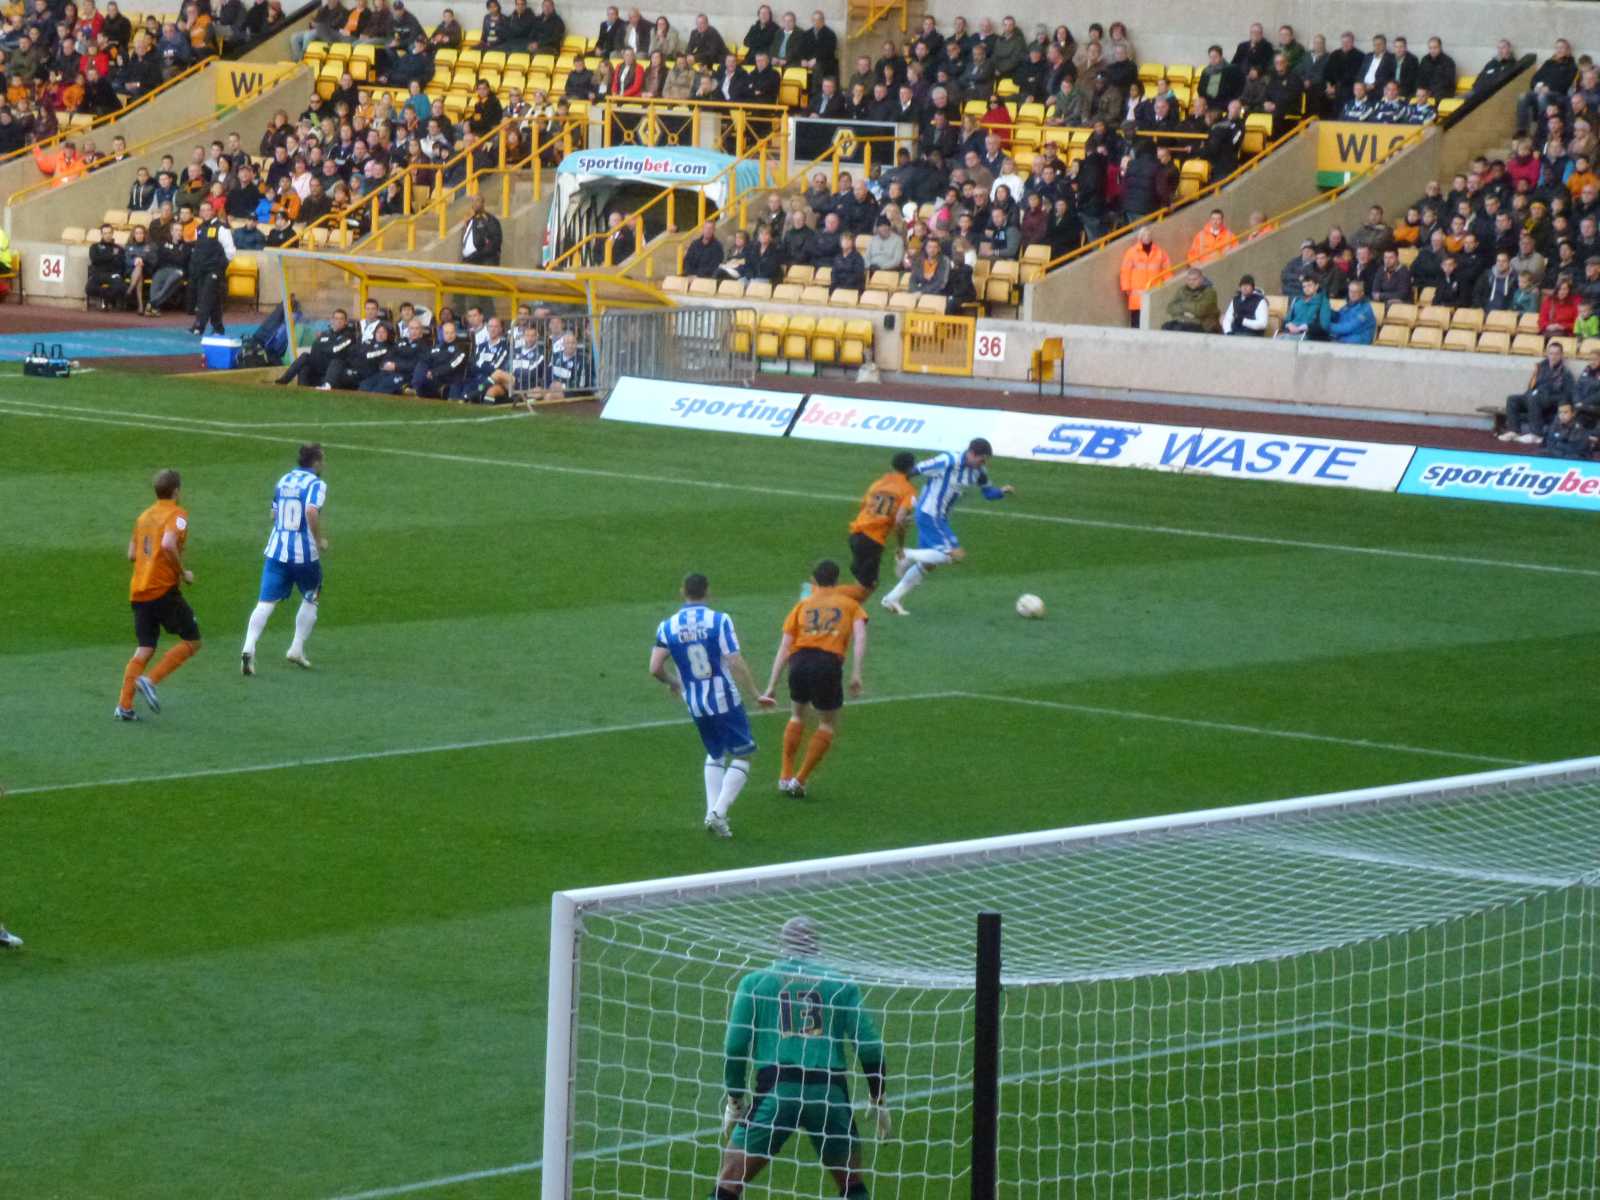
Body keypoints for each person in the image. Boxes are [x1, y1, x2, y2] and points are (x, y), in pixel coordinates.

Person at [711, 916, 888, 1199]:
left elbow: (735, 1046)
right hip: (829, 1094)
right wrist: (878, 1097)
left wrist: (735, 1099)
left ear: (780, 945)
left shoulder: (755, 982)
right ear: (816, 946)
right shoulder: (841, 984)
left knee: (728, 1183)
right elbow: (870, 1047)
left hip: (778, 1091)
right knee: (852, 1186)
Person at [648, 572, 770, 837]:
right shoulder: (719, 620)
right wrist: (755, 693)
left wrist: (674, 683)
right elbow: (735, 660)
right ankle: (719, 811)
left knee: (715, 753)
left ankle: (710, 813)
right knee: (743, 754)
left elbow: (655, 668)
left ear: (683, 591)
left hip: (695, 702)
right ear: (708, 592)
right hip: (724, 698)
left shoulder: (667, 626)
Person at [757, 560, 868, 797]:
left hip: (799, 662)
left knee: (797, 715)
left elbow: (785, 647)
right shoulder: (850, 604)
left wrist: (771, 686)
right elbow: (860, 636)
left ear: (814, 580)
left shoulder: (802, 606)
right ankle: (800, 780)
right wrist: (856, 672)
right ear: (837, 581)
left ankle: (785, 775)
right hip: (827, 664)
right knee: (827, 723)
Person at [878, 438, 1014, 617]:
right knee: (954, 555)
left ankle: (891, 599)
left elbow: (988, 493)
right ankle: (905, 554)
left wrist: (1001, 492)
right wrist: (902, 499)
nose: (984, 463)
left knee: (929, 564)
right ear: (971, 453)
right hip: (930, 514)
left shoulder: (979, 471)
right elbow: (914, 471)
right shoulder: (947, 460)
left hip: (939, 517)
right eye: (982, 459)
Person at [116, 468, 202, 720]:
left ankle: (124, 706)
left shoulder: (143, 517)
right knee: (193, 640)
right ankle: (150, 681)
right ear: (176, 491)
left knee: (145, 648)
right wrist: (182, 572)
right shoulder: (178, 515)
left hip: (139, 591)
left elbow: (132, 554)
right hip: (163, 590)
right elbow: (167, 544)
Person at [239, 444, 327, 675]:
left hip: (276, 551)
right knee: (312, 595)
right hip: (304, 554)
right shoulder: (316, 484)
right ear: (316, 462)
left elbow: (273, 513)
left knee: (265, 602)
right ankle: (296, 648)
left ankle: (248, 647)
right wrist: (319, 540)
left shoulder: (284, 480)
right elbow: (311, 511)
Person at [838, 452, 918, 604]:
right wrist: (900, 546)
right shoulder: (908, 490)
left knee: (863, 584)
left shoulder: (878, 484)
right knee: (867, 587)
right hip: (872, 541)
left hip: (856, 535)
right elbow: (900, 521)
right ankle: (819, 594)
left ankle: (850, 617)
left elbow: (865, 506)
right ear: (911, 469)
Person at [1501, 340, 1574, 444]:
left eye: (1556, 354)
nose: (1553, 357)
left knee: (1534, 398)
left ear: (1561, 355)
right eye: (1551, 353)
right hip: (1533, 396)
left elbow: (1567, 394)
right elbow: (1532, 384)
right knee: (1512, 399)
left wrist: (1550, 397)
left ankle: (1535, 434)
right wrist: (1528, 394)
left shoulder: (1565, 373)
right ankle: (1514, 431)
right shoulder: (1540, 367)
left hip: (1550, 400)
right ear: (1547, 354)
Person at [186, 198, 234, 335]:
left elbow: (230, 251)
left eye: (208, 209)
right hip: (201, 269)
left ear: (213, 211)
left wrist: (220, 267)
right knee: (212, 298)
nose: (205, 212)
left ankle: (199, 325)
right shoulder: (200, 228)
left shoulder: (221, 227)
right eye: (203, 210)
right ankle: (218, 327)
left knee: (205, 297)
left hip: (214, 270)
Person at [276, 309, 355, 387]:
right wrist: (327, 346)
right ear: (332, 320)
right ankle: (284, 381)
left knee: (335, 360)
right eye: (336, 318)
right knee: (305, 357)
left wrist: (325, 346)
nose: (338, 321)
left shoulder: (348, 335)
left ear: (345, 322)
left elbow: (335, 349)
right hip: (321, 364)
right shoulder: (326, 333)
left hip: (333, 366)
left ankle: (326, 386)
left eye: (341, 319)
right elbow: (315, 348)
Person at [1118, 225, 1169, 328]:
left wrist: (1168, 285)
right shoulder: (1132, 252)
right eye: (1145, 235)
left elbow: (1167, 270)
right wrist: (1126, 288)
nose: (1147, 237)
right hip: (1137, 293)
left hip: (1154, 291)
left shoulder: (1160, 252)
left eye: (1149, 234)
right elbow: (1125, 271)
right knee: (1136, 322)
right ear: (1140, 237)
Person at [1161, 268, 1221, 332]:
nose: (1191, 282)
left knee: (1184, 331)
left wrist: (1182, 305)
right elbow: (1170, 308)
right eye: (1189, 279)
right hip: (1183, 321)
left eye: (1195, 279)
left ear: (1201, 279)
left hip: (1203, 324)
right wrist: (1187, 311)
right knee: (1166, 327)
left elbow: (1199, 311)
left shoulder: (1210, 292)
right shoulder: (1182, 290)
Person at [1326, 279, 1377, 344]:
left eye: (1355, 292)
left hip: (1358, 343)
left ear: (1362, 293)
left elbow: (1349, 327)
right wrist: (1327, 311)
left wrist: (1326, 325)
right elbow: (1338, 316)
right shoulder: (1349, 305)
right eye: (1350, 291)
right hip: (1344, 339)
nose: (1352, 294)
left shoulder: (1365, 309)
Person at [460, 192, 502, 265]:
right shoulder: (471, 220)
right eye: (473, 201)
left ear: (483, 203)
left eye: (477, 200)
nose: (474, 203)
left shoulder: (489, 220)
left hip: (483, 263)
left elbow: (495, 243)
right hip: (468, 262)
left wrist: (476, 255)